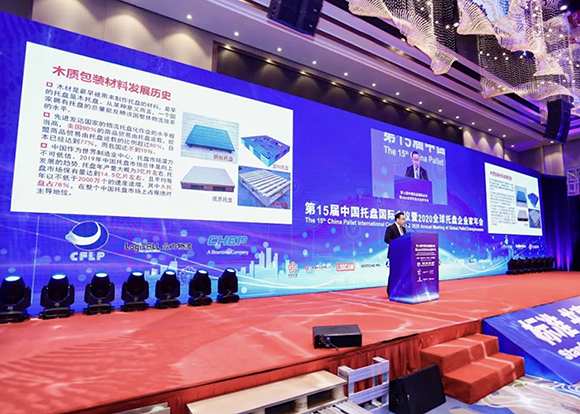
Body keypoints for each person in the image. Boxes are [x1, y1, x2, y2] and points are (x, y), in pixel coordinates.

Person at [384, 212, 406, 296]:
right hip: (394, 254)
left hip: (403, 255)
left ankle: (399, 290)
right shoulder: (391, 228)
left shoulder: (404, 229)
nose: (404, 221)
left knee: (401, 274)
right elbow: (387, 239)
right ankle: (390, 291)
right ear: (397, 219)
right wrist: (396, 243)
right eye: (403, 219)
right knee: (394, 274)